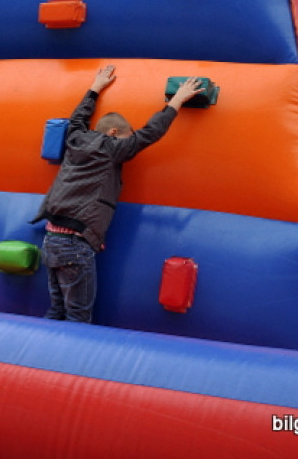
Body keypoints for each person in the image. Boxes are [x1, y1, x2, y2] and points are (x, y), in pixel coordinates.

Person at [31, 66, 204, 323]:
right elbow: (149, 133)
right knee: (78, 316)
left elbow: (78, 118)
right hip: (74, 246)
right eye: (125, 137)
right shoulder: (111, 149)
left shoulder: (75, 138)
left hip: (52, 239)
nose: (127, 145)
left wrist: (95, 87)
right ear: (113, 134)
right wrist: (177, 100)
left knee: (57, 311)